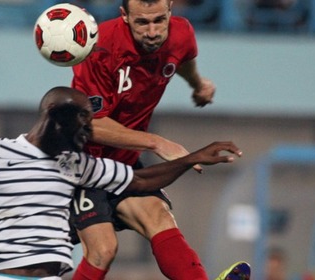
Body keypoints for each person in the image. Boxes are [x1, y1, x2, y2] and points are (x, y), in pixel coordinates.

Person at [0, 86, 243, 279]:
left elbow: (138, 181)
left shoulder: (75, 164)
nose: (88, 135)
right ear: (53, 121)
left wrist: (191, 158)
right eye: (82, 125)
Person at [70, 0, 249, 279]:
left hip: (123, 163)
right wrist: (157, 143)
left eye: (159, 20)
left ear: (170, 10)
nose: (152, 31)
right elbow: (89, 125)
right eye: (142, 22)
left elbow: (183, 59)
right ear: (125, 16)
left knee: (159, 217)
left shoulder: (181, 33)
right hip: (81, 163)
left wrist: (198, 84)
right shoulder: (99, 47)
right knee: (103, 249)